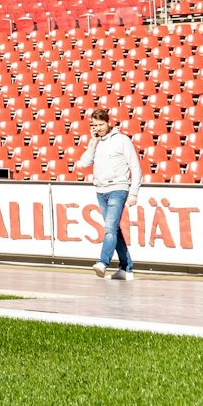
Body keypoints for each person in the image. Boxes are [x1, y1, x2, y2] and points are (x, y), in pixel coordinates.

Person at [74, 107, 142, 279]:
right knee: (114, 230)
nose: (98, 128)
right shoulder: (96, 142)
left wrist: (134, 192)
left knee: (110, 228)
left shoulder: (122, 140)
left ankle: (103, 262)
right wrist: (93, 143)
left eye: (101, 124)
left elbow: (135, 166)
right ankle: (126, 268)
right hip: (100, 190)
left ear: (108, 123)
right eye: (94, 125)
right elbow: (84, 163)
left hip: (118, 189)